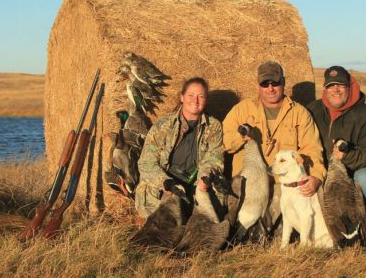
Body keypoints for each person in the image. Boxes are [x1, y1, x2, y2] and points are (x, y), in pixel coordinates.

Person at [223, 61, 326, 198]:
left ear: (283, 82)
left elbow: (312, 149)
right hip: (249, 185)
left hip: (284, 186)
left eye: (275, 83)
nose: (270, 88)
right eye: (265, 84)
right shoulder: (241, 110)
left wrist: (316, 177)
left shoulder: (299, 113)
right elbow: (223, 142)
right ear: (258, 85)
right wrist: (241, 137)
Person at [135, 77, 225, 219]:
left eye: (200, 96)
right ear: (182, 97)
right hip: (167, 186)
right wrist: (166, 183)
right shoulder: (162, 125)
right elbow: (146, 163)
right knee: (166, 226)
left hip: (196, 185)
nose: (195, 101)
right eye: (190, 95)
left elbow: (214, 158)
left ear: (205, 100)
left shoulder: (214, 127)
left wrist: (205, 177)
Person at [308, 66, 366, 198]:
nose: (336, 90)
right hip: (318, 171)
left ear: (349, 87)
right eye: (331, 85)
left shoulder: (363, 113)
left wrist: (347, 155)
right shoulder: (312, 110)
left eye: (341, 85)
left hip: (350, 173)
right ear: (325, 89)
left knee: (364, 177)